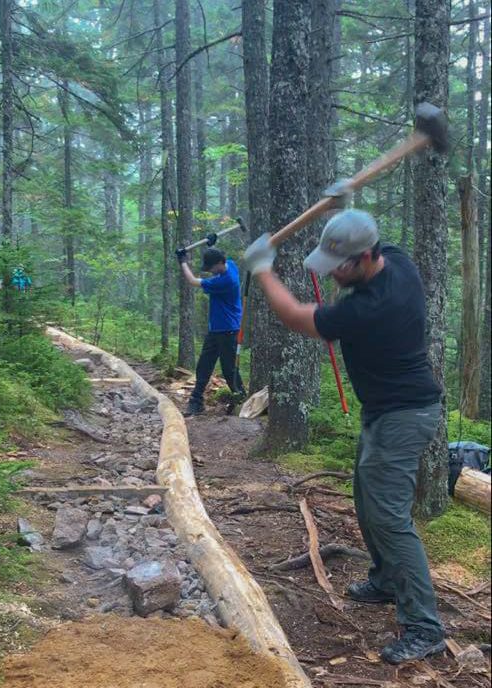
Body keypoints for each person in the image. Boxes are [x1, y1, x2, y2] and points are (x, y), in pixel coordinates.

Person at [244, 208, 445, 665]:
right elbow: (369, 235)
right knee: (366, 499)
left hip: (404, 415)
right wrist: (348, 203)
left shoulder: (369, 308)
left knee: (391, 518)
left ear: (366, 258)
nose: (332, 272)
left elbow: (297, 316)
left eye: (340, 265)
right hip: (388, 411)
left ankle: (425, 626)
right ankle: (387, 581)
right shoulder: (397, 261)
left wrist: (262, 270)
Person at [176, 246, 246, 416]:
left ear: (220, 264)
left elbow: (193, 281)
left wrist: (183, 261)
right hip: (216, 330)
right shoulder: (230, 264)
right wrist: (211, 244)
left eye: (211, 268)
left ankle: (241, 400)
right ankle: (196, 401)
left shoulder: (225, 281)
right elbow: (219, 255)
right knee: (204, 366)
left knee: (229, 369)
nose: (210, 272)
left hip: (228, 330)